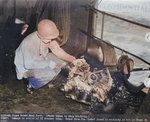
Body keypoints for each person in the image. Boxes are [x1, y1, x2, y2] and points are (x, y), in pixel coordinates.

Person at [14, 19, 76, 93]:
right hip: (26, 68)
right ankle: (32, 84)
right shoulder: (29, 43)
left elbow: (57, 50)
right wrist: (48, 63)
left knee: (60, 62)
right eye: (48, 39)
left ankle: (47, 81)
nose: (50, 41)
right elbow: (28, 65)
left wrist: (74, 60)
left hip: (39, 58)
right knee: (50, 73)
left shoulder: (46, 36)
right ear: (41, 36)